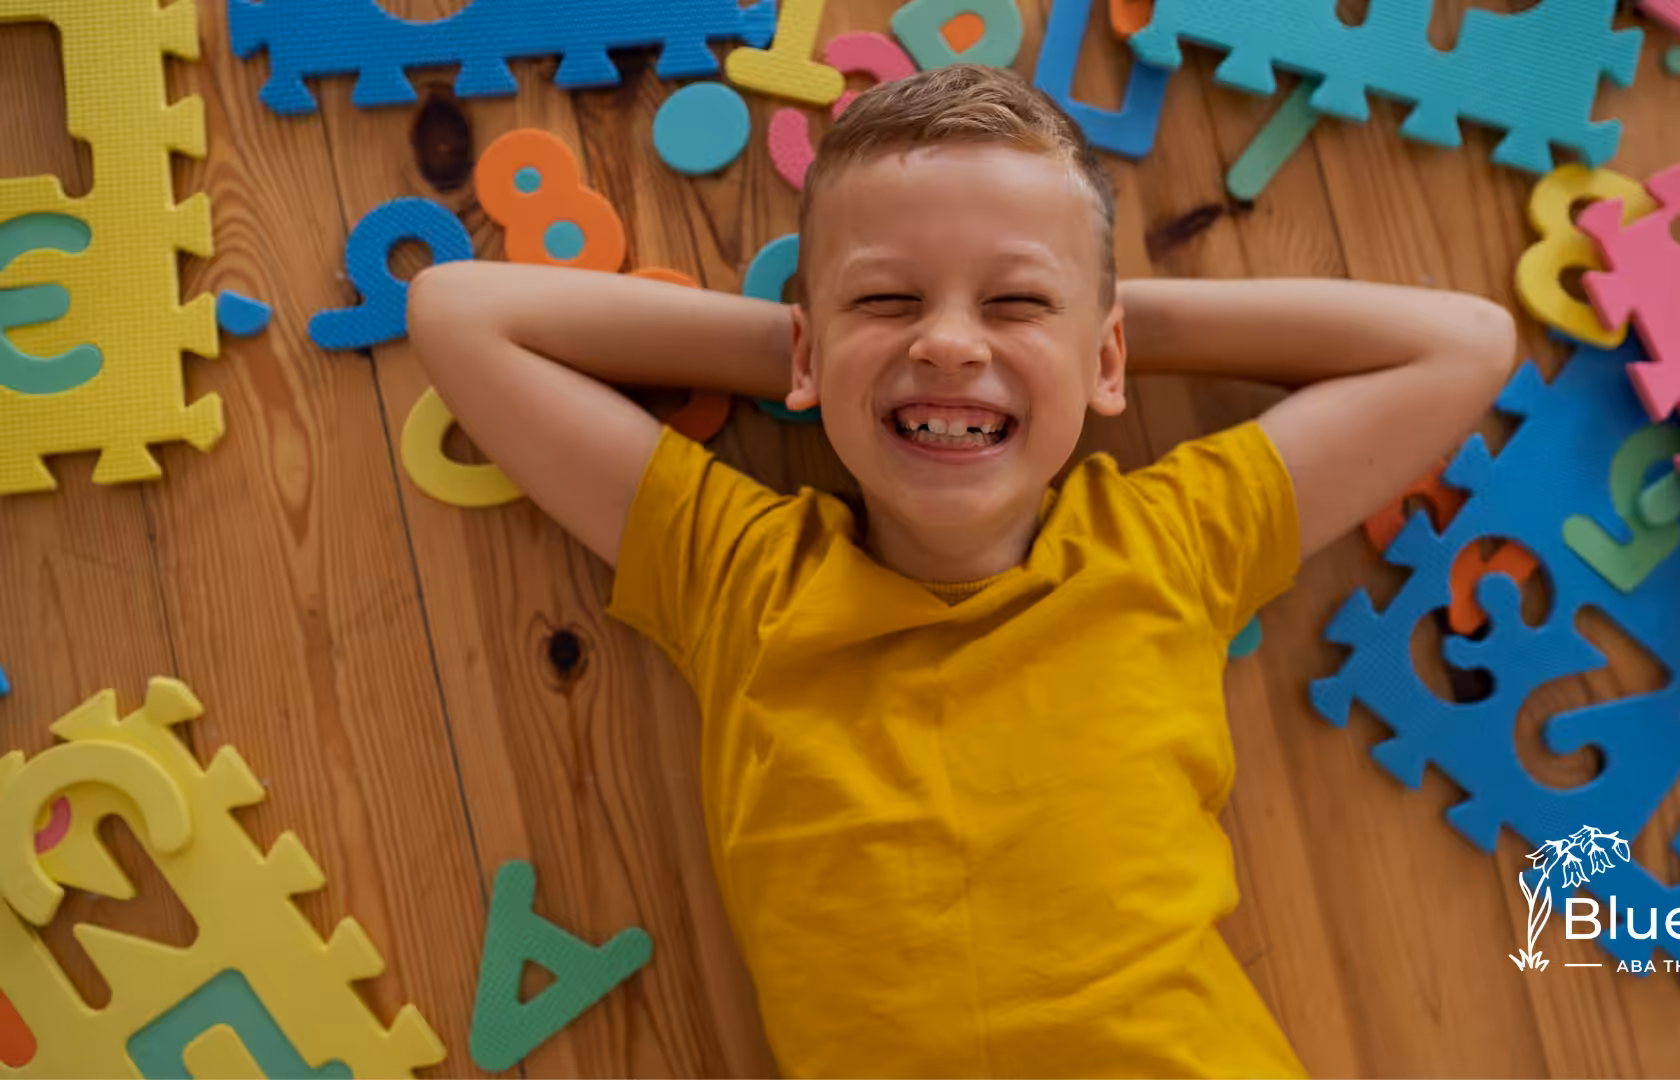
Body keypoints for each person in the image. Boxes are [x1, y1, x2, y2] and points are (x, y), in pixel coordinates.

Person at [410, 63, 1516, 1078]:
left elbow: (1463, 344)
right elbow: (458, 311)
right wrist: (823, 352)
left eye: (1015, 300)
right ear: (806, 347)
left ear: (1107, 353)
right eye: (888, 298)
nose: (947, 344)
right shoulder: (738, 574)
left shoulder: (1173, 541)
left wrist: (1092, 336)